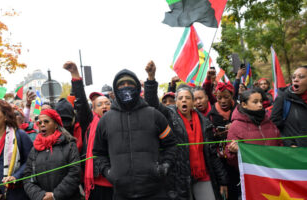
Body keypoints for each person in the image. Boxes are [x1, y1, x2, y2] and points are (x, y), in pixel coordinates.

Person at [144, 61, 228, 200]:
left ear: (193, 102)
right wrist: (151, 78)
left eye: (188, 98)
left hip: (203, 175)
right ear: (176, 102)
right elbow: (152, 103)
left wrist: (223, 180)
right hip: (179, 179)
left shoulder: (205, 123)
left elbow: (212, 154)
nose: (184, 100)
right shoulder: (170, 116)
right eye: (181, 98)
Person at [93, 68, 177, 200]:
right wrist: (109, 173)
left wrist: (165, 166)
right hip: (121, 194)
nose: (126, 87)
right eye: (121, 84)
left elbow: (171, 144)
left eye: (130, 84)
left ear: (137, 87)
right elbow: (98, 153)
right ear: (115, 89)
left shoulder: (154, 115)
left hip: (156, 191)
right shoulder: (105, 121)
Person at [63, 61, 113, 200]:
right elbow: (81, 103)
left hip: (117, 181)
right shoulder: (89, 123)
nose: (104, 106)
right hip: (95, 183)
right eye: (99, 104)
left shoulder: (118, 122)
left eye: (107, 103)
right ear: (94, 109)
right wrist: (75, 75)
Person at [23, 109, 81, 200]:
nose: (42, 124)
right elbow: (27, 178)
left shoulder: (69, 145)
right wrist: (40, 196)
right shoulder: (34, 149)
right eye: (39, 122)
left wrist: (55, 195)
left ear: (56, 124)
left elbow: (75, 173)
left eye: (46, 121)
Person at [226, 88, 282, 167]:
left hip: (274, 172)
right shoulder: (235, 126)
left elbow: (280, 145)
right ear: (244, 105)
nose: (260, 105)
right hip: (253, 175)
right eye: (255, 102)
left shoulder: (269, 122)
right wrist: (234, 152)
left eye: (261, 101)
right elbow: (231, 161)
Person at [271, 66, 307, 147]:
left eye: (301, 77)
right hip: (296, 153)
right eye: (293, 77)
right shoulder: (283, 98)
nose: (296, 79)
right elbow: (273, 127)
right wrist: (289, 143)